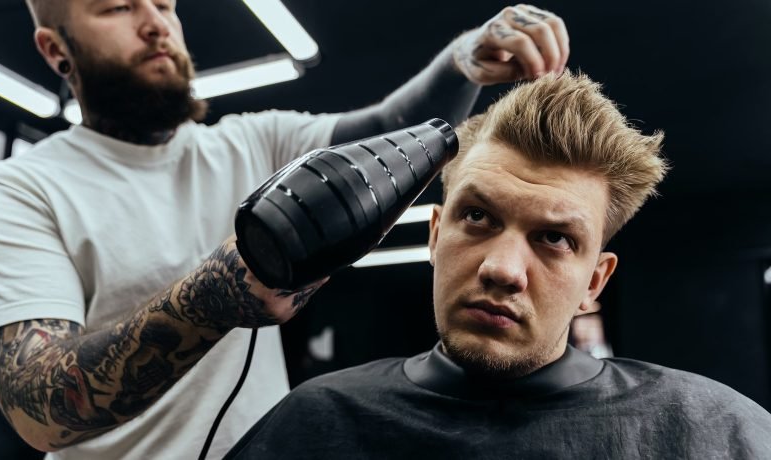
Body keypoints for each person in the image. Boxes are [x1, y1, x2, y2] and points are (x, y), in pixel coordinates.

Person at [0, 1, 571, 458]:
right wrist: (215, 295)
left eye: (165, 5)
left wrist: (464, 59)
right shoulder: (16, 191)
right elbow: (38, 404)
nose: (155, 23)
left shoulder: (250, 142)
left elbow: (388, 133)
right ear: (56, 50)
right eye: (117, 7)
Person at [227, 72, 771, 459]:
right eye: (479, 217)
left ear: (595, 282)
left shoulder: (715, 433)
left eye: (555, 238)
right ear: (436, 235)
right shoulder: (315, 422)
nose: (504, 270)